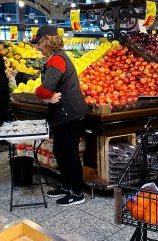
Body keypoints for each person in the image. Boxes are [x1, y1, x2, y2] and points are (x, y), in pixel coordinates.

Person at [30, 26, 90, 206]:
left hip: (68, 114)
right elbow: (49, 92)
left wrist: (42, 95)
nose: (38, 47)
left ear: (47, 41)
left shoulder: (57, 60)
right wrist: (47, 98)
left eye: (39, 43)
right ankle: (66, 186)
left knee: (69, 153)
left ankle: (77, 193)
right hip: (64, 113)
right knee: (60, 152)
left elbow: (45, 89)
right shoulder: (57, 57)